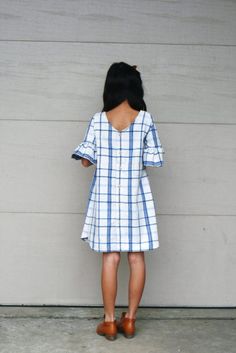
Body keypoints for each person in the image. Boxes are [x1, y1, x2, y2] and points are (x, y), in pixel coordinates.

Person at [71, 62, 165, 341]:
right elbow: (154, 160)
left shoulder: (98, 120)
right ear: (135, 87)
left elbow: (86, 161)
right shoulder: (145, 119)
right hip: (136, 197)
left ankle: (110, 322)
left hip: (107, 198)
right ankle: (131, 320)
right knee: (136, 257)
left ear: (110, 87)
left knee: (110, 258)